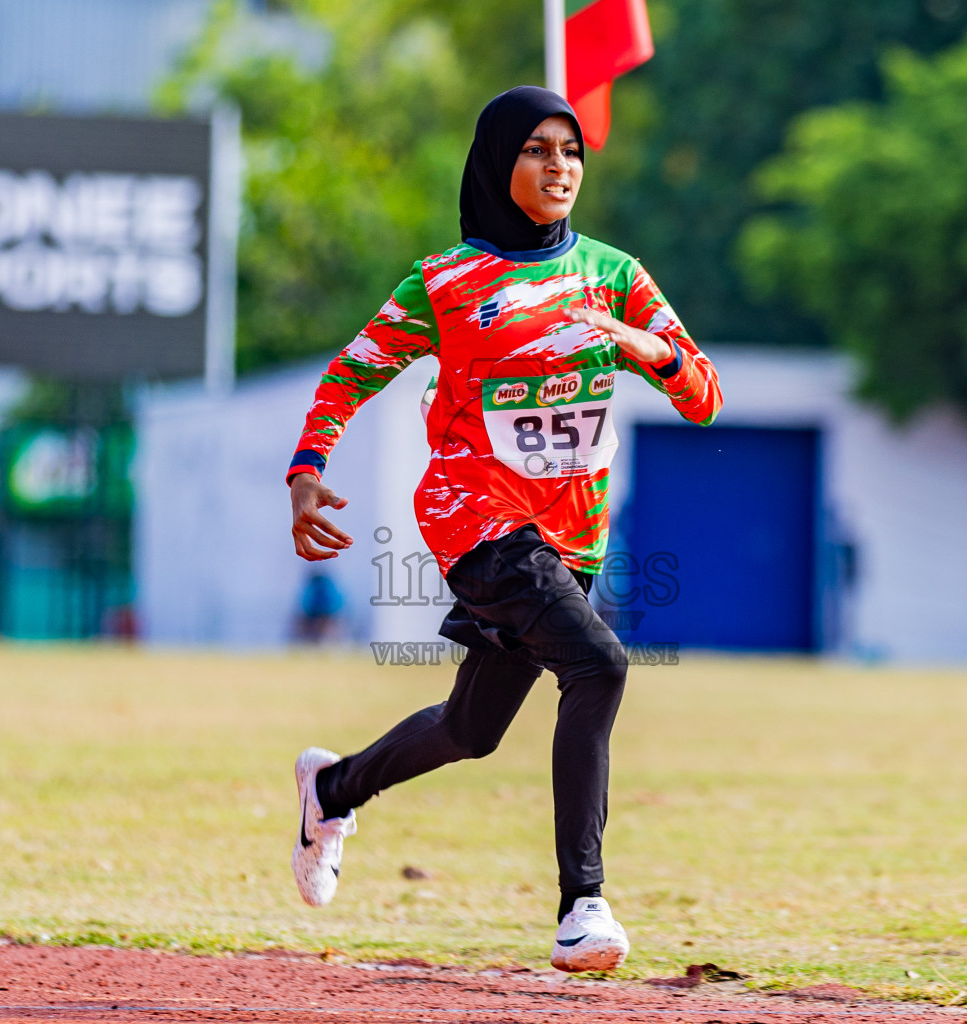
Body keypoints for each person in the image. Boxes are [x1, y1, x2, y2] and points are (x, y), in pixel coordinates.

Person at [285, 86, 722, 972]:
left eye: (571, 150)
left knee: (471, 728)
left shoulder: (615, 275)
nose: (560, 167)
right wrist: (305, 472)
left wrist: (650, 350)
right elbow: (350, 373)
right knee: (599, 664)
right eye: (536, 149)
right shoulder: (444, 282)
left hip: (573, 536)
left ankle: (331, 788)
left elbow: (705, 397)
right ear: (496, 161)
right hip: (473, 516)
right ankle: (582, 907)